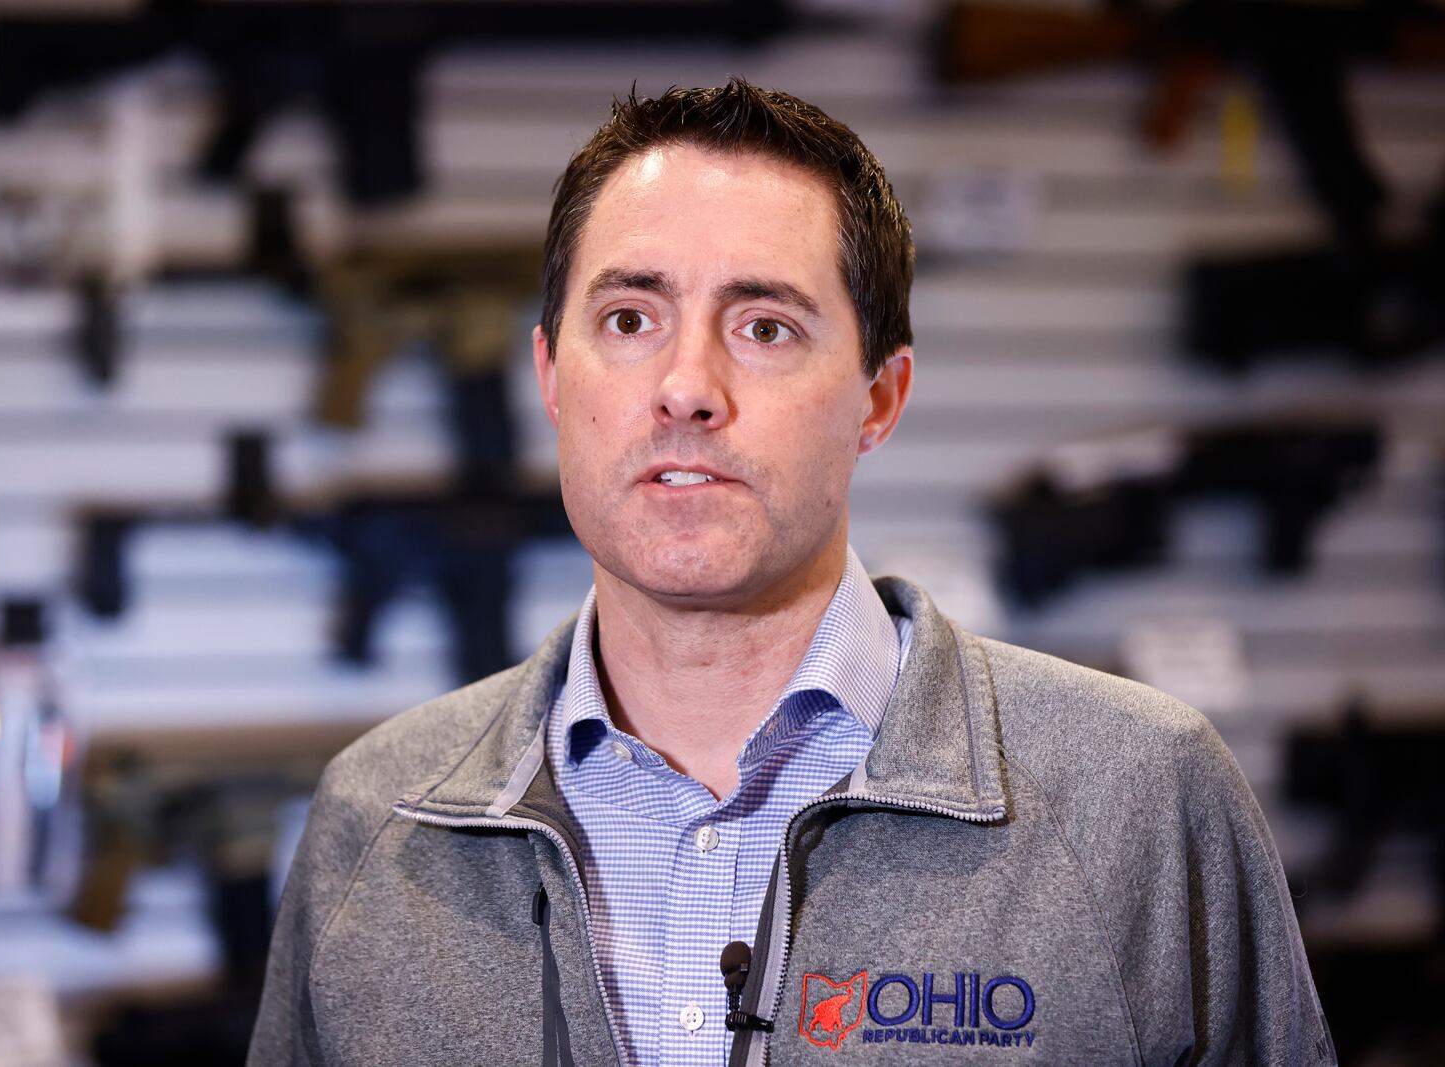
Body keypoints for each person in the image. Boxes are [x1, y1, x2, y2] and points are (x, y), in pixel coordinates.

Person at [247, 80, 1333, 1067]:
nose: (686, 387)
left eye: (764, 327)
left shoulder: (1137, 797)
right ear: (547, 372)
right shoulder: (376, 823)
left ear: (878, 397)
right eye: (629, 319)